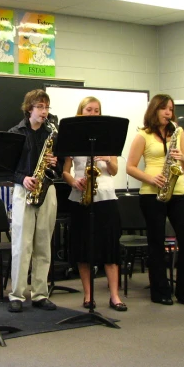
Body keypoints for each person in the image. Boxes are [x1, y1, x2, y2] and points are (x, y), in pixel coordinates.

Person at [126, 93, 184, 305]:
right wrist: (151, 178)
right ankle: (160, 290)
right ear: (154, 110)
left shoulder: (179, 132)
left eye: (171, 109)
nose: (168, 113)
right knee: (156, 242)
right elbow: (130, 167)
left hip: (178, 190)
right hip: (151, 192)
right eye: (164, 108)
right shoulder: (143, 135)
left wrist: (182, 157)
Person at [62, 96, 127, 311]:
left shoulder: (109, 138)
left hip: (106, 196)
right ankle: (88, 296)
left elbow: (116, 170)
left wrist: (108, 158)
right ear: (81, 112)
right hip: (81, 197)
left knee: (110, 247)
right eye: (88, 110)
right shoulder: (72, 138)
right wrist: (74, 181)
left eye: (96, 110)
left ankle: (114, 296)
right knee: (83, 248)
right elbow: (65, 170)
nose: (93, 113)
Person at [7, 89, 61, 313]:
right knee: (22, 245)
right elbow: (6, 167)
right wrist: (23, 178)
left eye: (47, 107)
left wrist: (54, 161)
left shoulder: (52, 133)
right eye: (40, 107)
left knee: (43, 244)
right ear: (29, 108)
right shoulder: (15, 132)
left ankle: (40, 293)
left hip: (47, 189)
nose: (44, 111)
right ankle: (17, 294)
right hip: (23, 190)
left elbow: (59, 167)